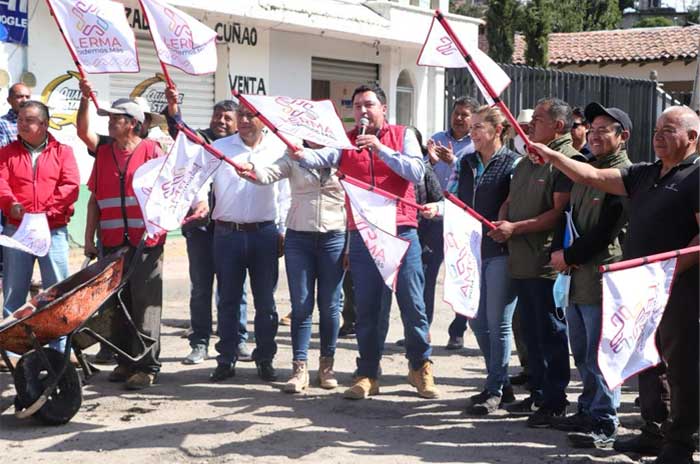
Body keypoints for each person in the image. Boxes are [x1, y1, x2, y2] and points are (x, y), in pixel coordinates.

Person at [530, 105, 699, 464]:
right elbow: (591, 175)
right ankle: (653, 433)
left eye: (669, 130)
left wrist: (667, 270)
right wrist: (552, 156)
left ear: (692, 137)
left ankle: (681, 444)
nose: (658, 136)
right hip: (643, 288)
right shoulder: (644, 174)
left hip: (680, 289)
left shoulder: (696, 177)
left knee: (682, 368)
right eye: (656, 129)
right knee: (647, 364)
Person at [291, 84, 438, 400]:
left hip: (401, 231)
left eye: (368, 105)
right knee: (368, 309)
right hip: (363, 235)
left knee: (413, 305)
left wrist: (380, 149)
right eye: (357, 106)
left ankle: (420, 366)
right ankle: (368, 372)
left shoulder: (402, 135)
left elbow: (416, 171)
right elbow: (321, 157)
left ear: (383, 108)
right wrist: (299, 152)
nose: (362, 112)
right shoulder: (345, 141)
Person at [490, 98, 586, 426]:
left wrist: (514, 228)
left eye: (540, 119)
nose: (531, 125)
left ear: (559, 127)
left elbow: (557, 213)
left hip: (545, 263)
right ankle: (538, 393)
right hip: (521, 258)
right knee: (530, 332)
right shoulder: (529, 159)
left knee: (550, 332)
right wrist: (502, 219)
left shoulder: (564, 162)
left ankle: (555, 400)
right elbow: (511, 199)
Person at [424, 106, 520, 415]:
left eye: (480, 127)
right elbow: (451, 199)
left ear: (497, 130)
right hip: (470, 253)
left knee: (498, 323)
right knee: (477, 322)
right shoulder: (465, 163)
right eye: (473, 127)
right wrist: (434, 209)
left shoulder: (513, 164)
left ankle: (493, 389)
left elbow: (516, 205)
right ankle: (501, 387)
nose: (473, 132)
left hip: (500, 253)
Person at [547, 103, 632, 449]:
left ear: (622, 137)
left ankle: (605, 422)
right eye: (592, 129)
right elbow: (566, 216)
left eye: (604, 130)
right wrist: (559, 253)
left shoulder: (624, 176)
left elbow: (606, 231)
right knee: (582, 352)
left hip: (601, 277)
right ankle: (588, 409)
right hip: (576, 277)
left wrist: (567, 256)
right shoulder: (585, 169)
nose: (595, 136)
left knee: (603, 355)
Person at [238, 139, 346, 393]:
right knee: (301, 304)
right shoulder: (292, 154)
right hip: (299, 237)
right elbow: (269, 174)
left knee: (331, 306)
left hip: (335, 236)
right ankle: (299, 368)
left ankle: (326, 366)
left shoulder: (344, 154)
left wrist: (351, 245)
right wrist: (251, 170)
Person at [77, 78, 168, 365]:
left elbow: (169, 190)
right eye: (110, 118)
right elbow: (94, 201)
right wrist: (89, 238)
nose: (110, 123)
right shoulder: (103, 153)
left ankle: (146, 365)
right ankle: (126, 361)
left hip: (145, 242)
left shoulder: (152, 150)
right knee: (119, 303)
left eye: (116, 119)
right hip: (112, 242)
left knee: (146, 306)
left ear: (133, 123)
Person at [163, 85, 252, 365]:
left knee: (234, 289)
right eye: (217, 117)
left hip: (231, 229)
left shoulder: (242, 147)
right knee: (201, 287)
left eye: (227, 118)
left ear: (237, 122)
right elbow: (178, 129)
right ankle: (200, 342)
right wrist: (173, 106)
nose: (221, 122)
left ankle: (238, 341)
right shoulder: (199, 142)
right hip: (200, 230)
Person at [206, 105, 290, 383]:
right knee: (227, 301)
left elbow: (284, 195)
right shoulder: (220, 148)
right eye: (240, 115)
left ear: (263, 119)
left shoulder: (278, 149)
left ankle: (265, 359)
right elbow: (200, 182)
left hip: (264, 234)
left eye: (250, 115)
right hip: (226, 234)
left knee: (265, 302)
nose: (243, 120)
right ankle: (226, 359)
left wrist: (283, 231)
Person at [0, 100, 79, 355]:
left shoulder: (62, 152)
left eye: (29, 120)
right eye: (20, 119)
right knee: (14, 291)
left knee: (57, 292)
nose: (22, 124)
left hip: (53, 231)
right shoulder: (6, 153)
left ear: (44, 124)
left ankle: (59, 349)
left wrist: (47, 211)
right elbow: (1, 183)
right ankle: (11, 351)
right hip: (18, 232)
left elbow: (70, 186)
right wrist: (10, 204)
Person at [425, 97, 478, 349]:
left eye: (465, 114)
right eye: (456, 113)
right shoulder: (437, 138)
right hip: (433, 217)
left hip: (461, 219)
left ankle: (458, 329)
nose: (459, 118)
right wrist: (432, 161)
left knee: (460, 275)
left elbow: (476, 174)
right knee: (425, 275)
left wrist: (453, 162)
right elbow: (422, 172)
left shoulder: (476, 143)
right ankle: (421, 329)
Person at [0, 83, 31, 148]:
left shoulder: (36, 122)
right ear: (9, 100)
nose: (24, 100)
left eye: (27, 97)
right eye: (19, 96)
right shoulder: (2, 123)